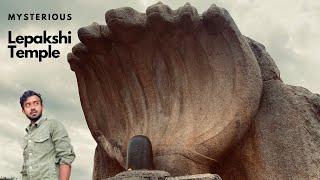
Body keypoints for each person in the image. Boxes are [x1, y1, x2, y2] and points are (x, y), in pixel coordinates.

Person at [19, 90, 76, 180]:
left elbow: (66, 156)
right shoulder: (27, 136)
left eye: (36, 103)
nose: (33, 107)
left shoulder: (53, 125)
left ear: (42, 106)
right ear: (23, 111)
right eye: (28, 105)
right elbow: (25, 170)